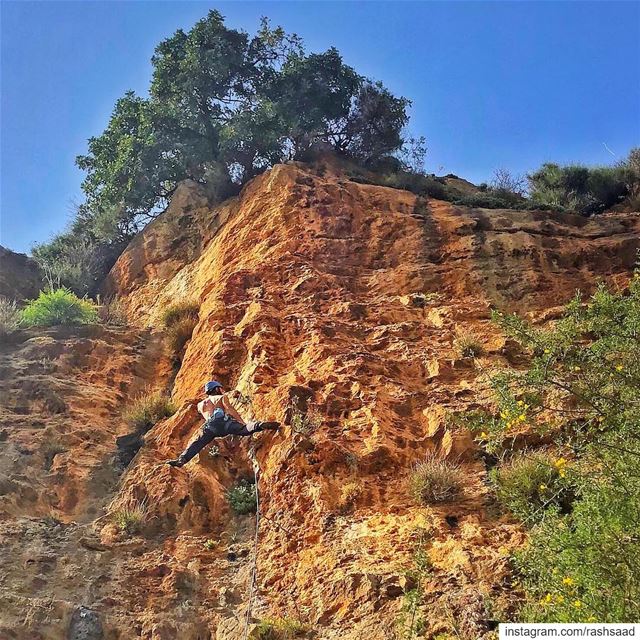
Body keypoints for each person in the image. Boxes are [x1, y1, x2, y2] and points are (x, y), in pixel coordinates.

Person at [167, 380, 279, 467]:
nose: (222, 390)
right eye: (220, 388)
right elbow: (230, 409)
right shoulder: (221, 397)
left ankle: (182, 459)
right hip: (224, 423)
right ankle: (259, 425)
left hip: (210, 428)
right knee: (243, 430)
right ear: (216, 389)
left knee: (198, 443)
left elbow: (207, 416)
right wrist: (241, 422)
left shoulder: (200, 405)